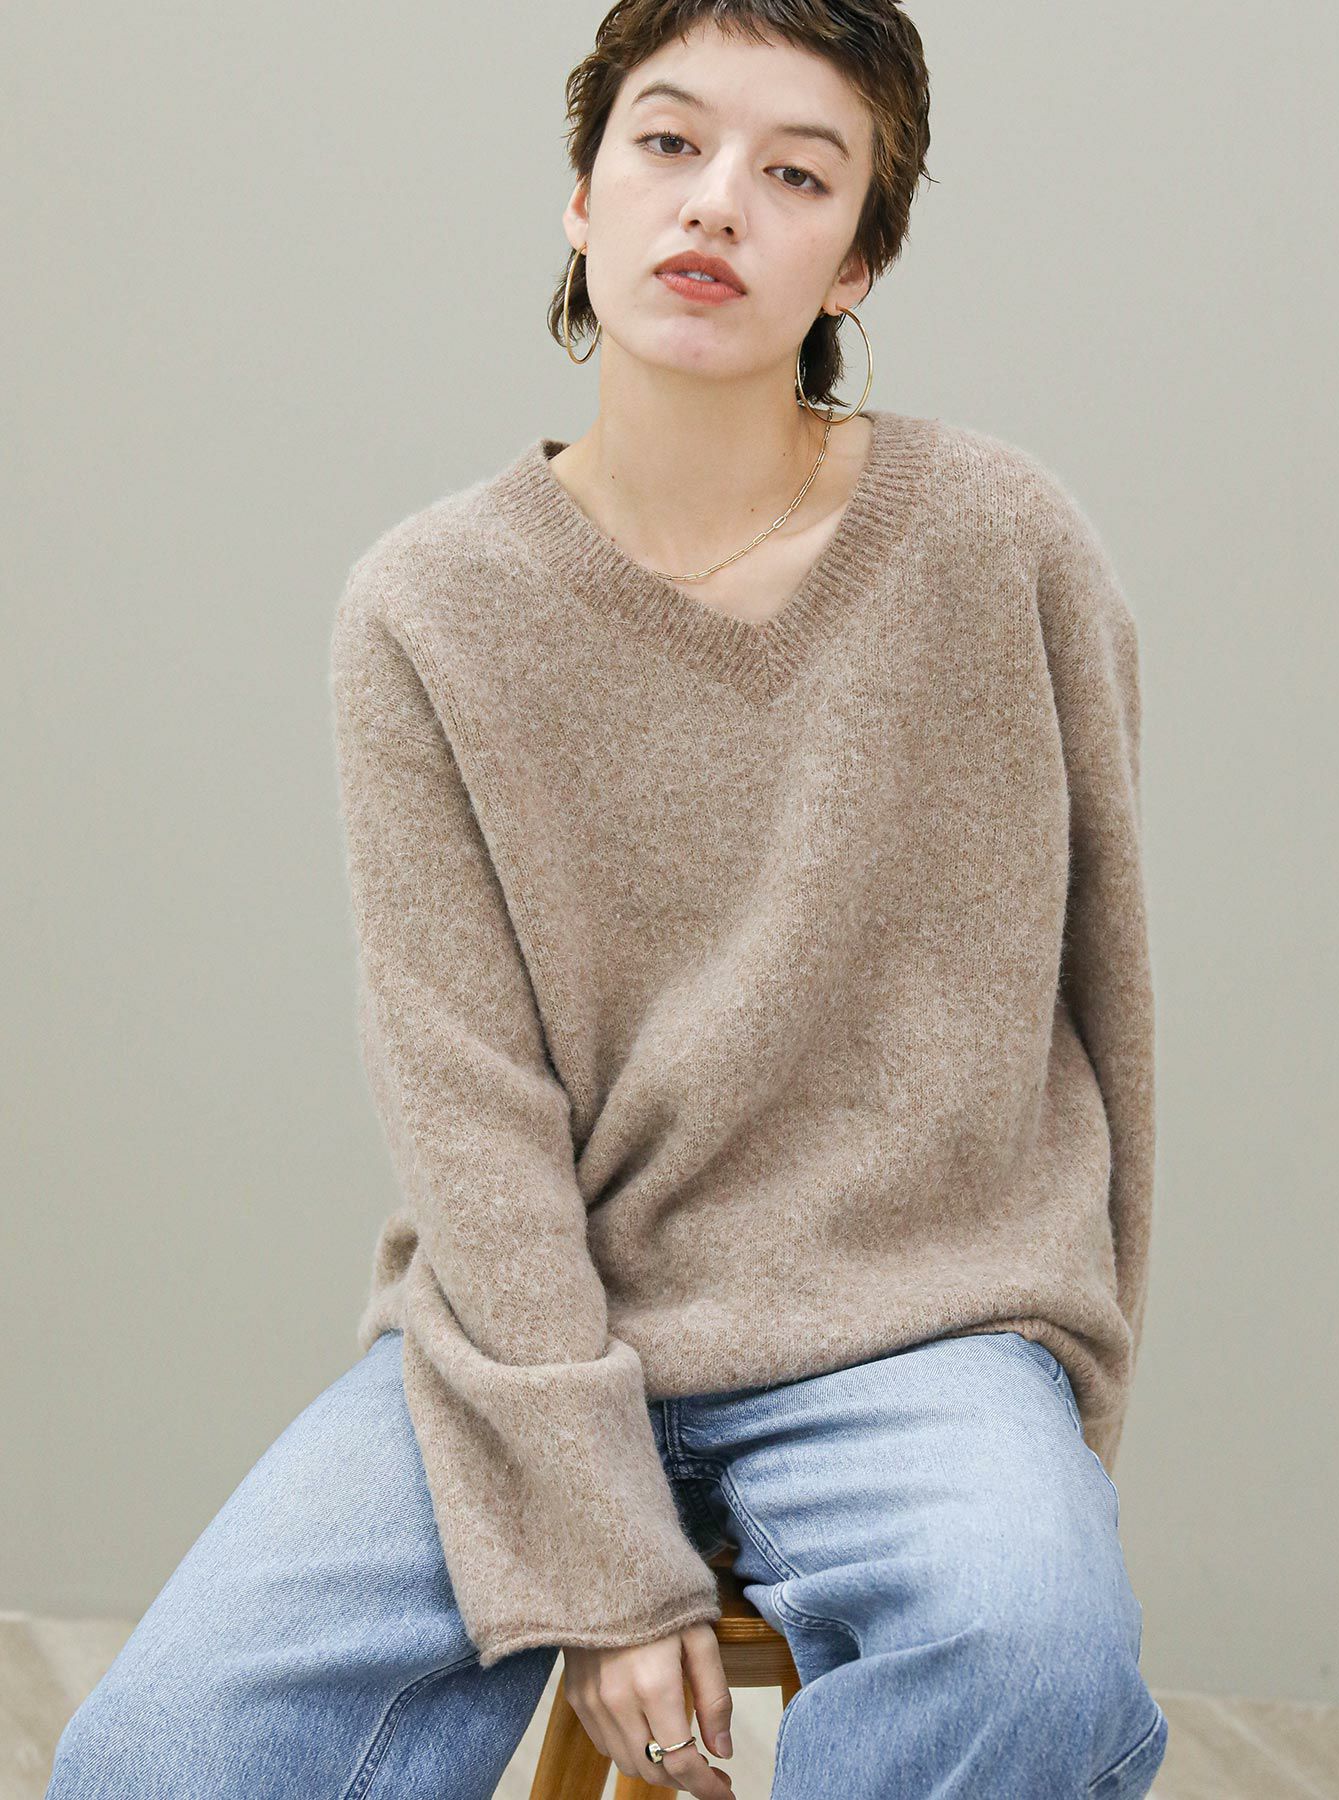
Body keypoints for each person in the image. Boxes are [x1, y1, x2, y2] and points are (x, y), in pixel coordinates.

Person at [46, 4, 1169, 1797]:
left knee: (1029, 1638)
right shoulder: (429, 608)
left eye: (796, 173)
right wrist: (587, 1534)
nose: (716, 202)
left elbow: (1108, 999)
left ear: (857, 259)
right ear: (583, 194)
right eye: (668, 142)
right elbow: (466, 1109)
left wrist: (1065, 1400)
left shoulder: (999, 542)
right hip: (529, 1334)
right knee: (159, 1753)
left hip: (924, 1330)